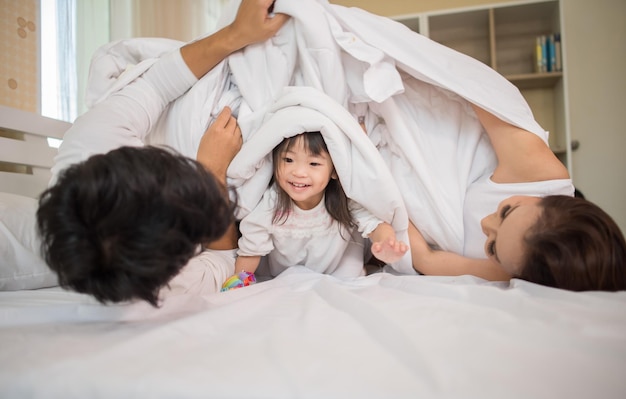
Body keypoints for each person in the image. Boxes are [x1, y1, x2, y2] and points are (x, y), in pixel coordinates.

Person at [36, 0, 289, 306]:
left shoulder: (93, 141)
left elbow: (157, 84)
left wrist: (236, 33)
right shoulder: (170, 283)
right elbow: (222, 260)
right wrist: (212, 174)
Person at [408, 104, 626, 291]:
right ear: (548, 198)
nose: (484, 222)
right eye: (505, 211)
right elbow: (474, 89)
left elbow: (426, 259)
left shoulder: (514, 267)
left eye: (492, 248)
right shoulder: (540, 174)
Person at [231, 131, 408, 280]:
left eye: (314, 163)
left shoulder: (344, 200)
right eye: (288, 160)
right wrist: (236, 287)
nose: (298, 172)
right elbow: (251, 250)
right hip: (282, 278)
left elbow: (375, 224)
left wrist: (386, 243)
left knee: (353, 274)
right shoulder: (272, 202)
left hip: (333, 275)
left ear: (335, 171)